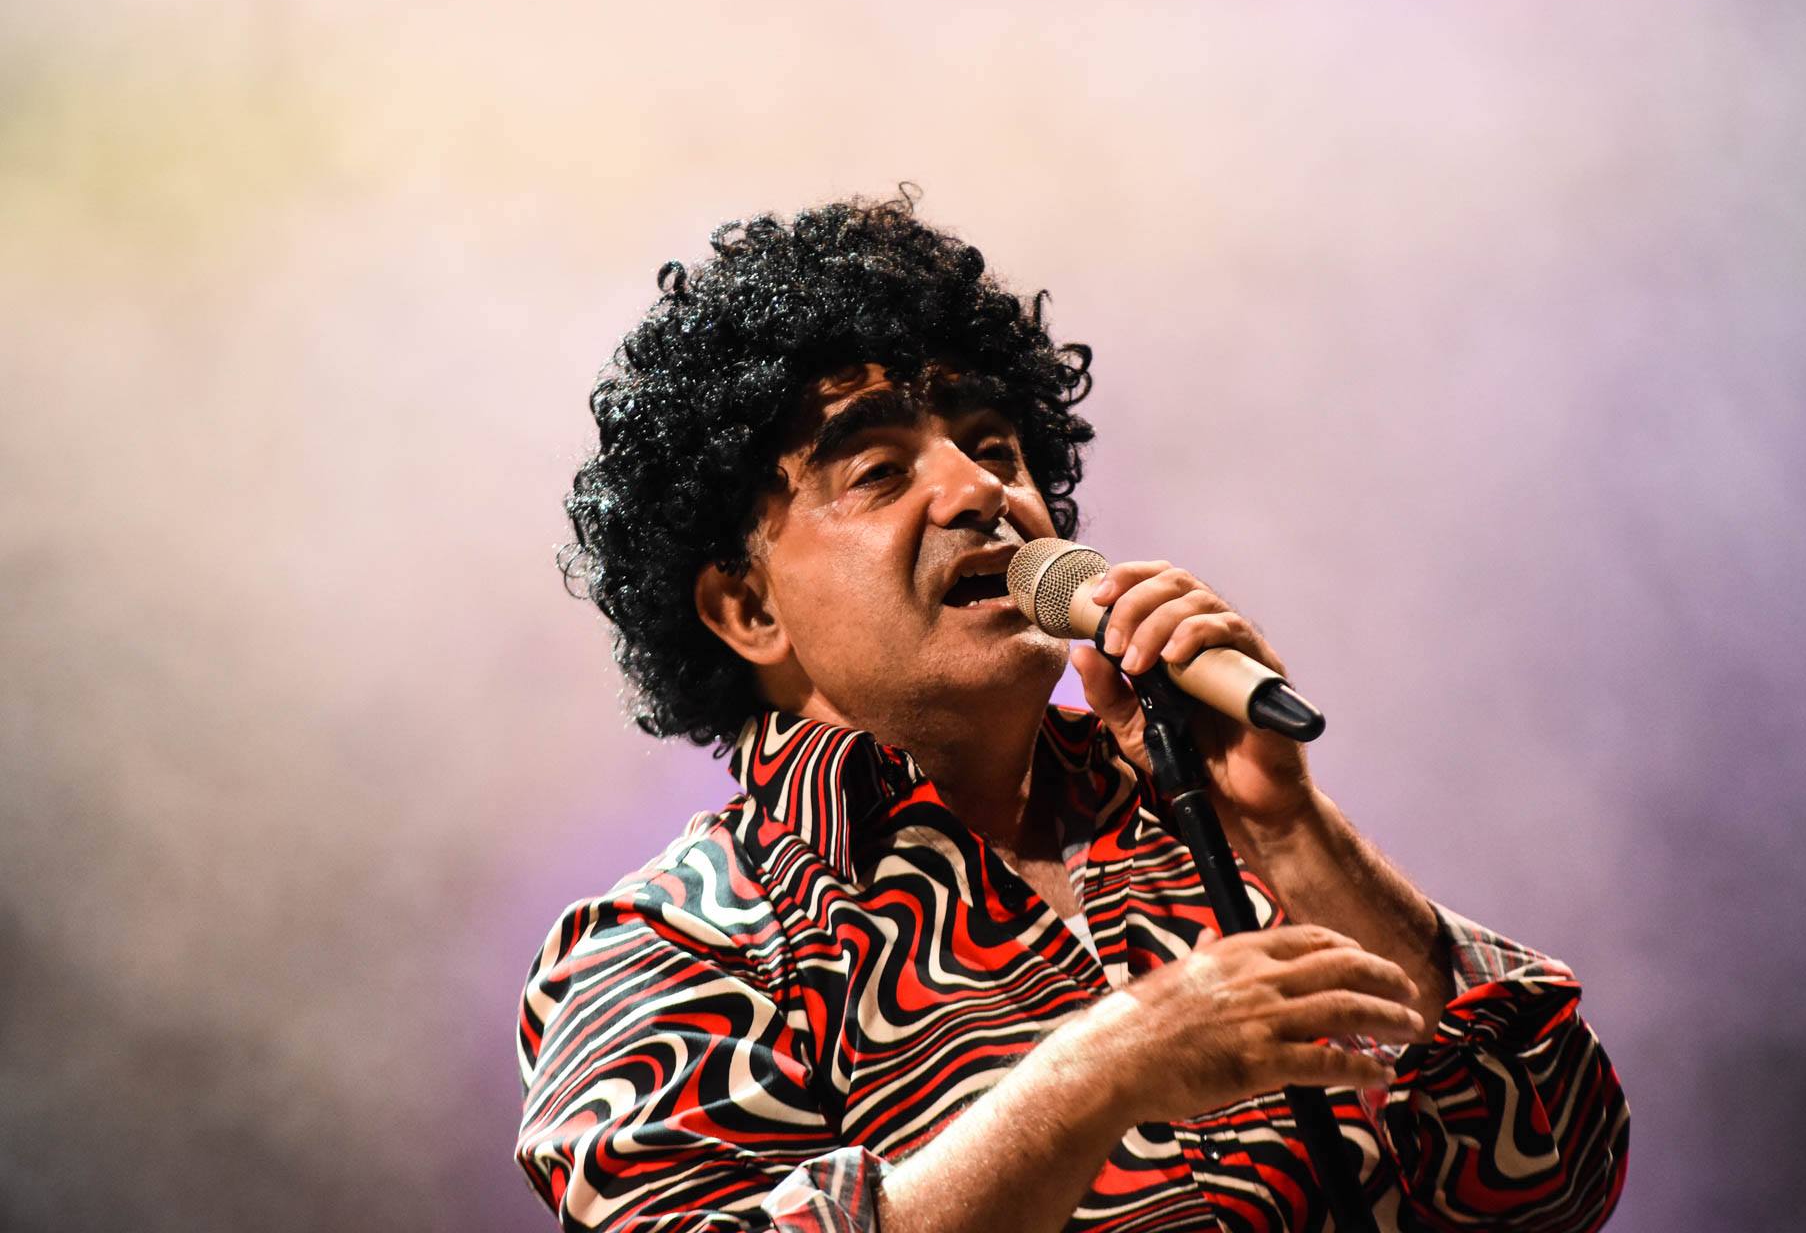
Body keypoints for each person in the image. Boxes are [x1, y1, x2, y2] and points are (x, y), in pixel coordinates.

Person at [515, 189, 1630, 1233]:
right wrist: (1106, 1070)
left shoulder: (1205, 829)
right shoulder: (673, 942)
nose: (979, 491)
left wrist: (1291, 831)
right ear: (749, 607)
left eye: (995, 447)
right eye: (880, 469)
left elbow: (1556, 1179)